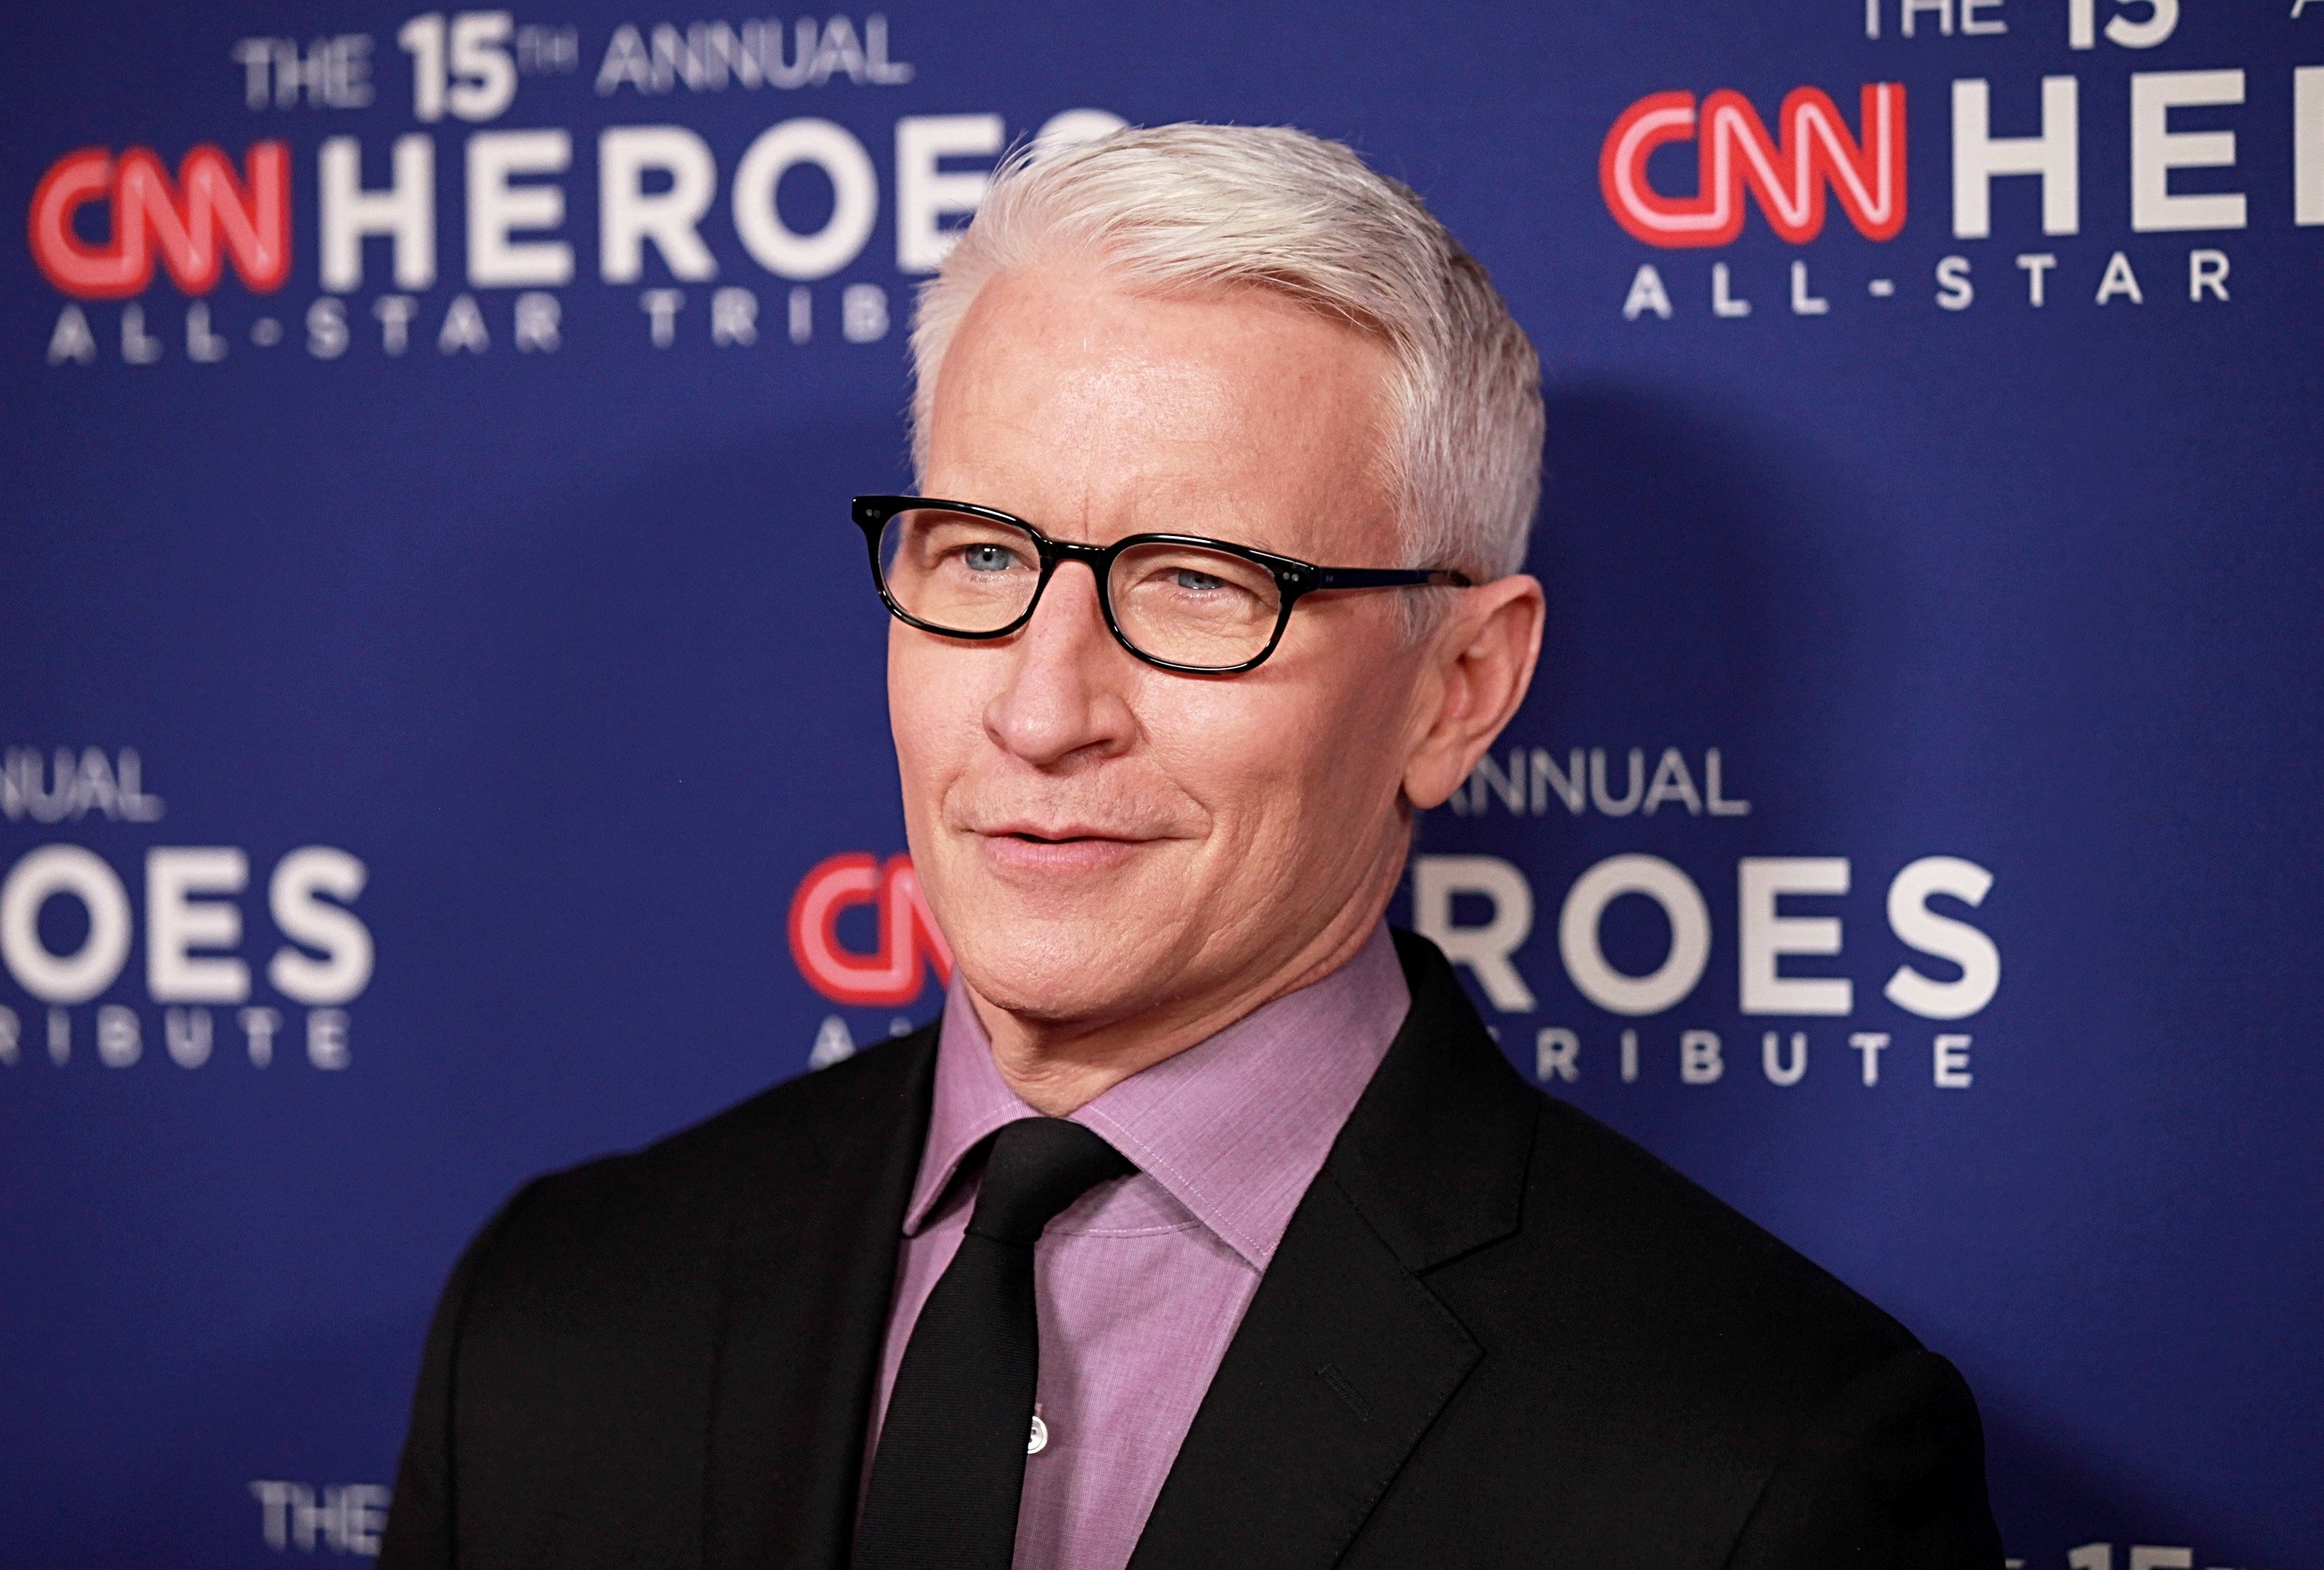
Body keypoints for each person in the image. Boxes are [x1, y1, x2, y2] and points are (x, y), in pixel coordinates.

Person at [379, 123, 2001, 1570]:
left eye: (1198, 583)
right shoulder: (551, 1314)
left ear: (1460, 686)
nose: (1040, 707)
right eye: (982, 554)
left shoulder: (1766, 1462)